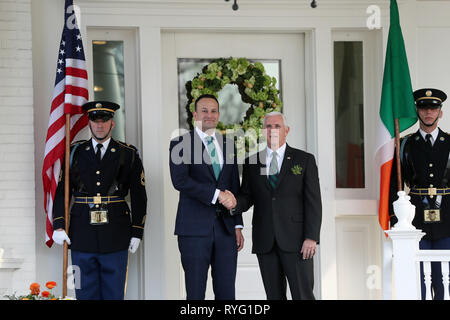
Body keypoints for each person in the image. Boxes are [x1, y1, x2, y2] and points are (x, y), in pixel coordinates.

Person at [51, 100, 147, 300]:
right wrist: (59, 225)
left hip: (116, 232)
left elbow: (139, 194)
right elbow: (62, 192)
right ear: (89, 123)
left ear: (113, 123)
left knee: (114, 294)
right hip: (81, 233)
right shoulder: (74, 152)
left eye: (105, 120)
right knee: (84, 293)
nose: (100, 125)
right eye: (95, 120)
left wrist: (137, 230)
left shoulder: (127, 153)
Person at [232, 112, 322, 300]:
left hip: (297, 242)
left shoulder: (304, 160)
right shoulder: (252, 162)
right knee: (273, 296)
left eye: (277, 126)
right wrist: (232, 203)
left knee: (303, 295)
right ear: (263, 131)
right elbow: (247, 197)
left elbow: (313, 202)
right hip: (266, 241)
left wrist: (311, 237)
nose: (272, 130)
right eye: (268, 126)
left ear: (286, 131)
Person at [169, 94, 244, 300]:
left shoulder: (229, 145)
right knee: (195, 293)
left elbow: (233, 188)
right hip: (194, 230)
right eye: (204, 111)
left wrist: (237, 225)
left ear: (218, 115)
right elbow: (180, 181)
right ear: (195, 115)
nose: (209, 115)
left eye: (213, 111)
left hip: (227, 230)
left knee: (227, 293)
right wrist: (216, 194)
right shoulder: (180, 144)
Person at [389, 88, 449, 300]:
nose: (428, 112)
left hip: (447, 219)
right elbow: (394, 184)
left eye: (433, 108)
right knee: (417, 281)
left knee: (445, 281)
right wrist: (394, 217)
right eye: (424, 108)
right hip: (414, 220)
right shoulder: (404, 144)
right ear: (417, 111)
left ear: (440, 112)